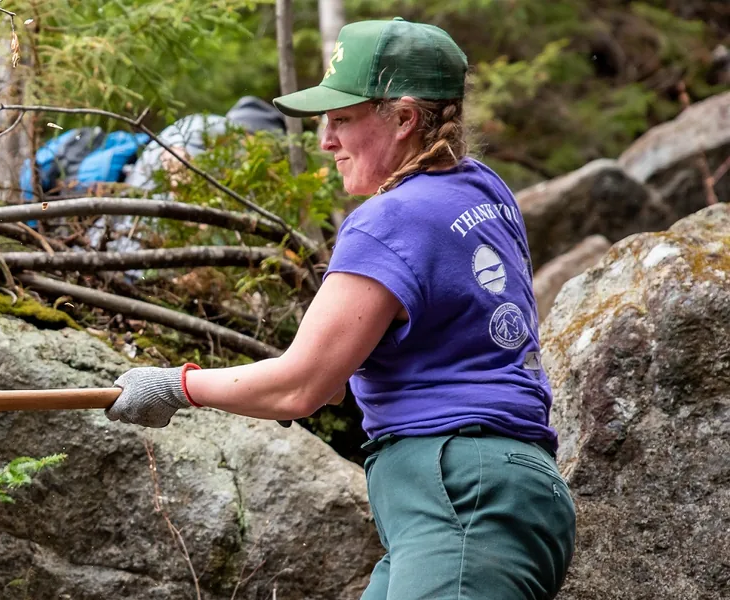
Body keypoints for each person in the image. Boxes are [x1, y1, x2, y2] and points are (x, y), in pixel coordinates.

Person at [104, 17, 576, 600]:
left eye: (341, 120)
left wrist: (176, 387)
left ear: (404, 118)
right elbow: (331, 384)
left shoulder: (389, 220)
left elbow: (301, 387)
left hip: (460, 498)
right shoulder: (483, 190)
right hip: (506, 495)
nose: (324, 141)